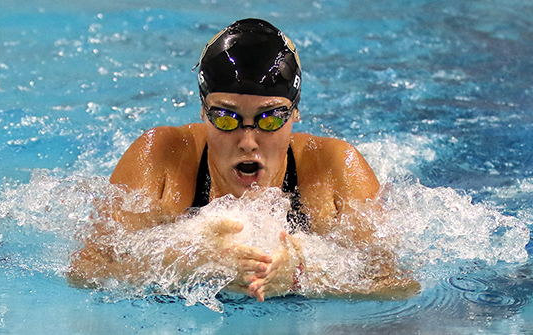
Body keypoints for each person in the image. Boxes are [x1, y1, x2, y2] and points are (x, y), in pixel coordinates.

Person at [69, 18, 419, 302]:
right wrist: (186, 262)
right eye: (225, 117)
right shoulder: (162, 157)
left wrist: (300, 273)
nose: (248, 142)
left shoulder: (334, 168)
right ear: (203, 112)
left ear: (295, 113)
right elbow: (85, 270)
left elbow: (397, 286)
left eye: (269, 119)